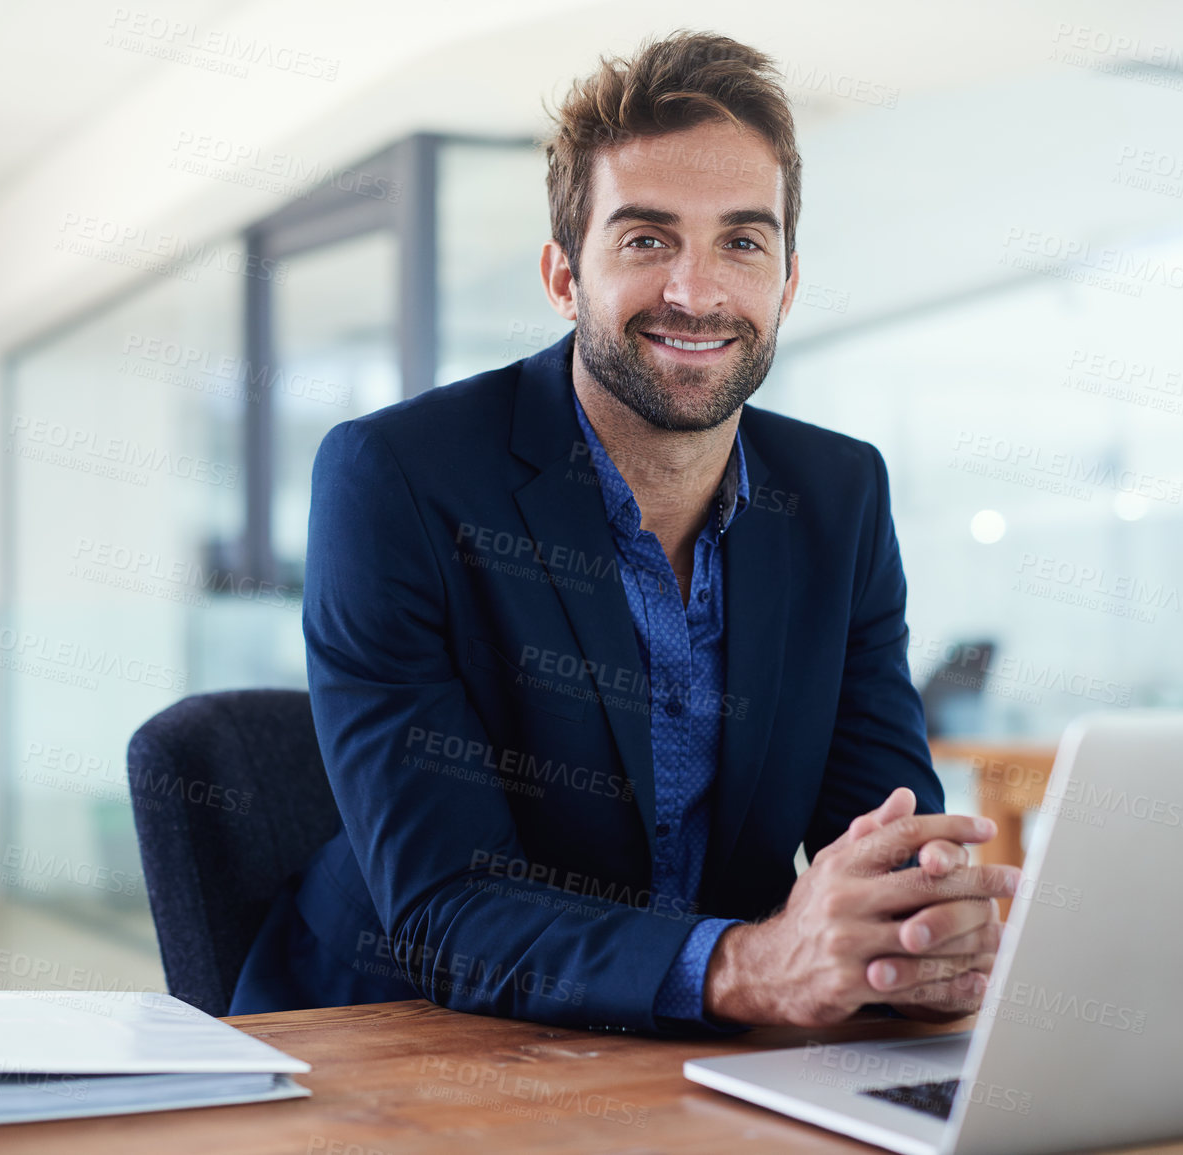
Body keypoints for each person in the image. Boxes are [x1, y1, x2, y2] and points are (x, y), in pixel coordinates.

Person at [230, 29, 1018, 1034]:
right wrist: (743, 964)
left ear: (786, 279)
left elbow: (885, 829)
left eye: (742, 240)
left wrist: (926, 929)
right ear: (564, 277)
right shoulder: (398, 479)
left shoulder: (837, 493)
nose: (697, 293)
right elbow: (444, 910)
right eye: (647, 239)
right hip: (396, 1040)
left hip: (695, 1055)